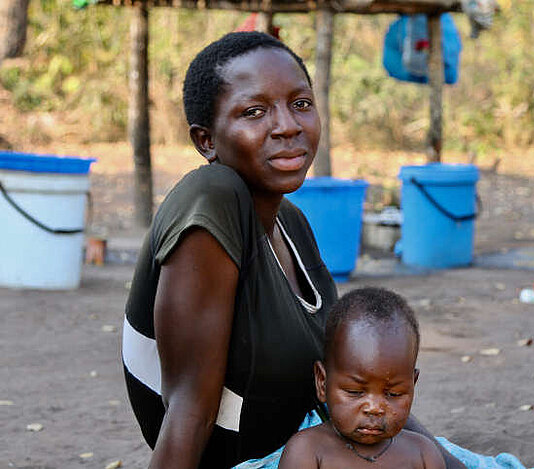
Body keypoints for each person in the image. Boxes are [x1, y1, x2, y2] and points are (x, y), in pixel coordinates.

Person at [121, 31, 466, 469]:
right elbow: (190, 406)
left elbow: (349, 382)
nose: (287, 126)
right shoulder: (209, 197)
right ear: (206, 140)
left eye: (301, 104)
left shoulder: (292, 223)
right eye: (254, 111)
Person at [278, 287, 445, 469]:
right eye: (355, 392)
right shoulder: (308, 451)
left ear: (413, 384)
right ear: (322, 383)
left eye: (393, 394)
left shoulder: (422, 454)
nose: (374, 408)